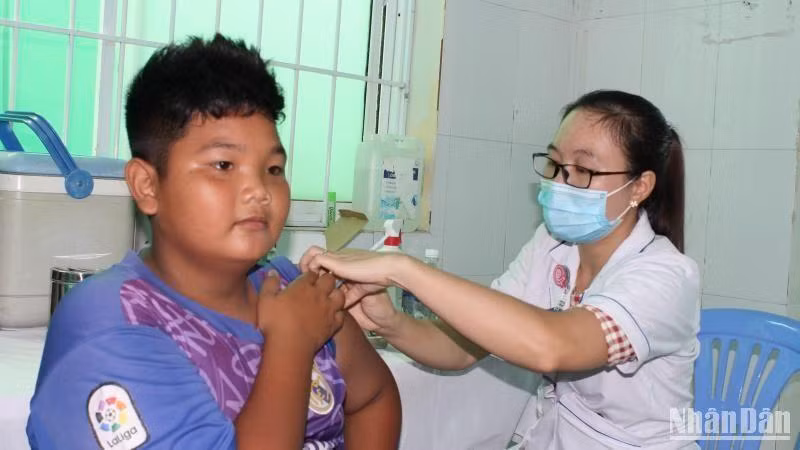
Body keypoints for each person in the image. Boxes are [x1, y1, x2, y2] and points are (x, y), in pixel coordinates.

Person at [27, 34, 400, 450]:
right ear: (147, 185)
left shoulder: (293, 288)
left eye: (274, 169)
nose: (258, 189)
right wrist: (291, 343)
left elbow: (375, 398)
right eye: (224, 165)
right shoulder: (112, 322)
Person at [303, 90, 700, 449]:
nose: (561, 183)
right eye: (556, 164)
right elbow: (463, 348)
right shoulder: (553, 246)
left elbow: (552, 347)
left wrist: (401, 269)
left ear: (639, 187)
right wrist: (390, 322)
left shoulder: (666, 277)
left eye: (583, 171)